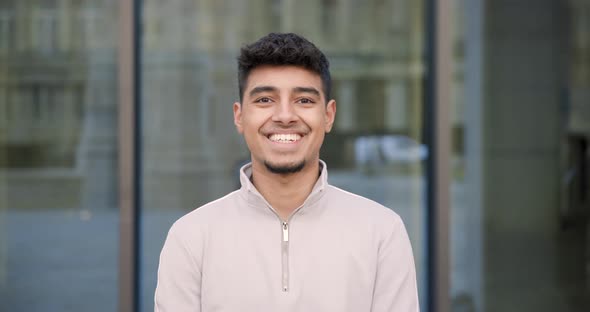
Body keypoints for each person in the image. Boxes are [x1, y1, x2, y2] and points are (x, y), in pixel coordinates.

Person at [154, 32, 419, 312]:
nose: (284, 116)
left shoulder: (382, 232)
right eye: (265, 100)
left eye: (304, 100)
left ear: (328, 116)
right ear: (239, 116)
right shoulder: (192, 237)